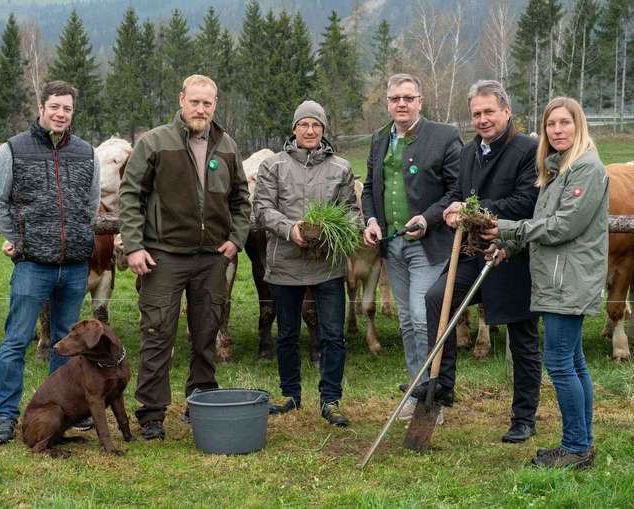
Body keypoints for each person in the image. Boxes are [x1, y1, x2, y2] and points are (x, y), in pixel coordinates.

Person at [119, 74, 251, 440]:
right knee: (158, 332)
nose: (201, 109)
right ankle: (151, 413)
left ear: (215, 105)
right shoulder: (155, 142)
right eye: (195, 101)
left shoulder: (227, 146)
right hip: (163, 255)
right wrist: (134, 245)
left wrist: (236, 240)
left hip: (211, 257)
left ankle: (202, 399)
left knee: (207, 329)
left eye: (207, 103)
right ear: (182, 100)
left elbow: (241, 199)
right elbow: (130, 195)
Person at [482, 97, 607, 468]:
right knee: (574, 362)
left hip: (568, 281)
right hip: (559, 279)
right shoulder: (558, 170)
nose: (557, 130)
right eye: (551, 124)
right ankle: (581, 444)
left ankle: (574, 448)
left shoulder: (585, 169)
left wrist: (506, 228)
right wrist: (508, 244)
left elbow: (562, 226)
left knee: (559, 362)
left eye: (564, 123)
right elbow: (545, 224)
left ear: (578, 125)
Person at [418, 80, 542, 444]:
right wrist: (445, 213)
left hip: (511, 254)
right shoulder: (471, 151)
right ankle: (443, 386)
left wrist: (474, 211)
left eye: (489, 112)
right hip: (472, 252)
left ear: (506, 111)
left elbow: (525, 202)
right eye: (476, 114)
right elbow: (458, 194)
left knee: (522, 337)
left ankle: (524, 417)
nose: (483, 119)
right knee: (436, 297)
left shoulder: (528, 150)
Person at [0, 80, 101, 444]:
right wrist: (20, 240)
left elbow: (91, 202)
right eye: (55, 106)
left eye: (67, 108)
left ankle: (63, 409)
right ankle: (5, 414)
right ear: (41, 106)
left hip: (74, 265)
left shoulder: (86, 153)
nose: (61, 113)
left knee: (68, 344)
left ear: (73, 111)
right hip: (32, 265)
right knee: (17, 340)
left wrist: (81, 232)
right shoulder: (13, 150)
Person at [361, 73, 462, 420]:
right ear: (387, 103)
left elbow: (456, 190)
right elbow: (369, 189)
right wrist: (371, 221)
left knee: (423, 319)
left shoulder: (444, 136)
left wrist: (428, 218)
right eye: (394, 99)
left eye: (408, 97)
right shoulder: (378, 140)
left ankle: (433, 395)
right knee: (406, 321)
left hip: (428, 244)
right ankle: (416, 389)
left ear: (420, 101)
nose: (401, 104)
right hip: (392, 245)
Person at [253, 100, 360, 427]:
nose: (310, 130)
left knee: (332, 335)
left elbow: (352, 213)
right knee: (286, 332)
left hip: (327, 263)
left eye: (316, 125)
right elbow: (263, 209)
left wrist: (336, 232)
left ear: (323, 130)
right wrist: (291, 229)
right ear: (294, 129)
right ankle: (290, 394)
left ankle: (331, 398)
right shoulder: (274, 166)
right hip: (285, 262)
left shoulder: (340, 168)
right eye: (304, 125)